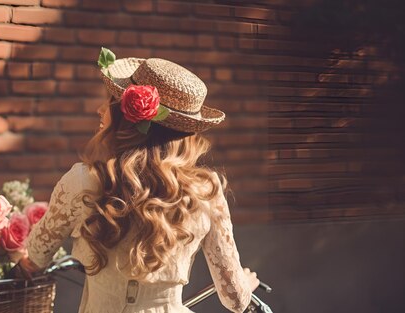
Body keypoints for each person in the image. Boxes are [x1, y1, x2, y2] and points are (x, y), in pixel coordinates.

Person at [18, 55, 260, 313]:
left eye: (110, 102)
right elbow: (235, 299)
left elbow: (35, 259)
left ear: (129, 117)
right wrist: (245, 282)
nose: (100, 110)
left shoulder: (83, 180)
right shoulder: (205, 191)